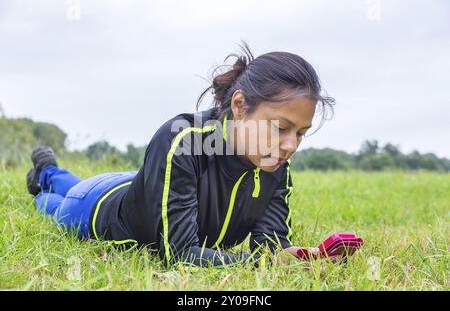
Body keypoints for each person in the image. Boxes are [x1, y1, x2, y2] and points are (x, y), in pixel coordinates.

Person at [26, 42, 335, 267]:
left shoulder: (275, 163)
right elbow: (180, 253)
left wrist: (293, 257)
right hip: (98, 205)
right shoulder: (184, 139)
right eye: (280, 128)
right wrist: (256, 265)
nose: (291, 146)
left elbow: (268, 247)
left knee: (76, 187)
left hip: (148, 186)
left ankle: (51, 172)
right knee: (55, 204)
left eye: (300, 133)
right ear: (239, 106)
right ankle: (46, 172)